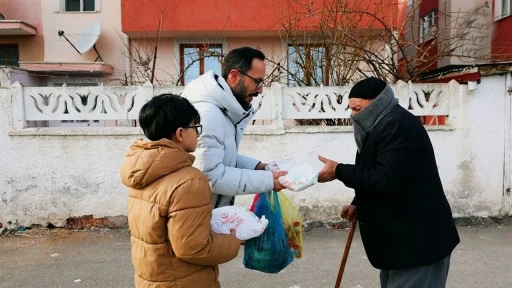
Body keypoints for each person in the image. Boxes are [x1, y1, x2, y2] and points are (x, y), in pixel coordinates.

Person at [317, 77, 460, 288]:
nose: (354, 116)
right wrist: (360, 202)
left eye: (358, 109)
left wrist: (339, 170)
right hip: (400, 243)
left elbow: (386, 179)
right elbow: (381, 170)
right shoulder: (381, 124)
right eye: (352, 110)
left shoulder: (397, 125)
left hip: (418, 245)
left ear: (377, 104)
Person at [120, 94, 241, 288]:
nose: (198, 134)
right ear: (180, 133)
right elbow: (193, 248)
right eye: (195, 127)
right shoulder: (190, 181)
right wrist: (233, 241)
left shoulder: (139, 173)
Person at [182, 46, 286, 208]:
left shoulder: (222, 110)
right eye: (257, 81)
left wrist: (258, 167)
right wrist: (269, 181)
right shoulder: (208, 114)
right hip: (199, 218)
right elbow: (212, 177)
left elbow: (221, 156)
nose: (260, 90)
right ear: (234, 76)